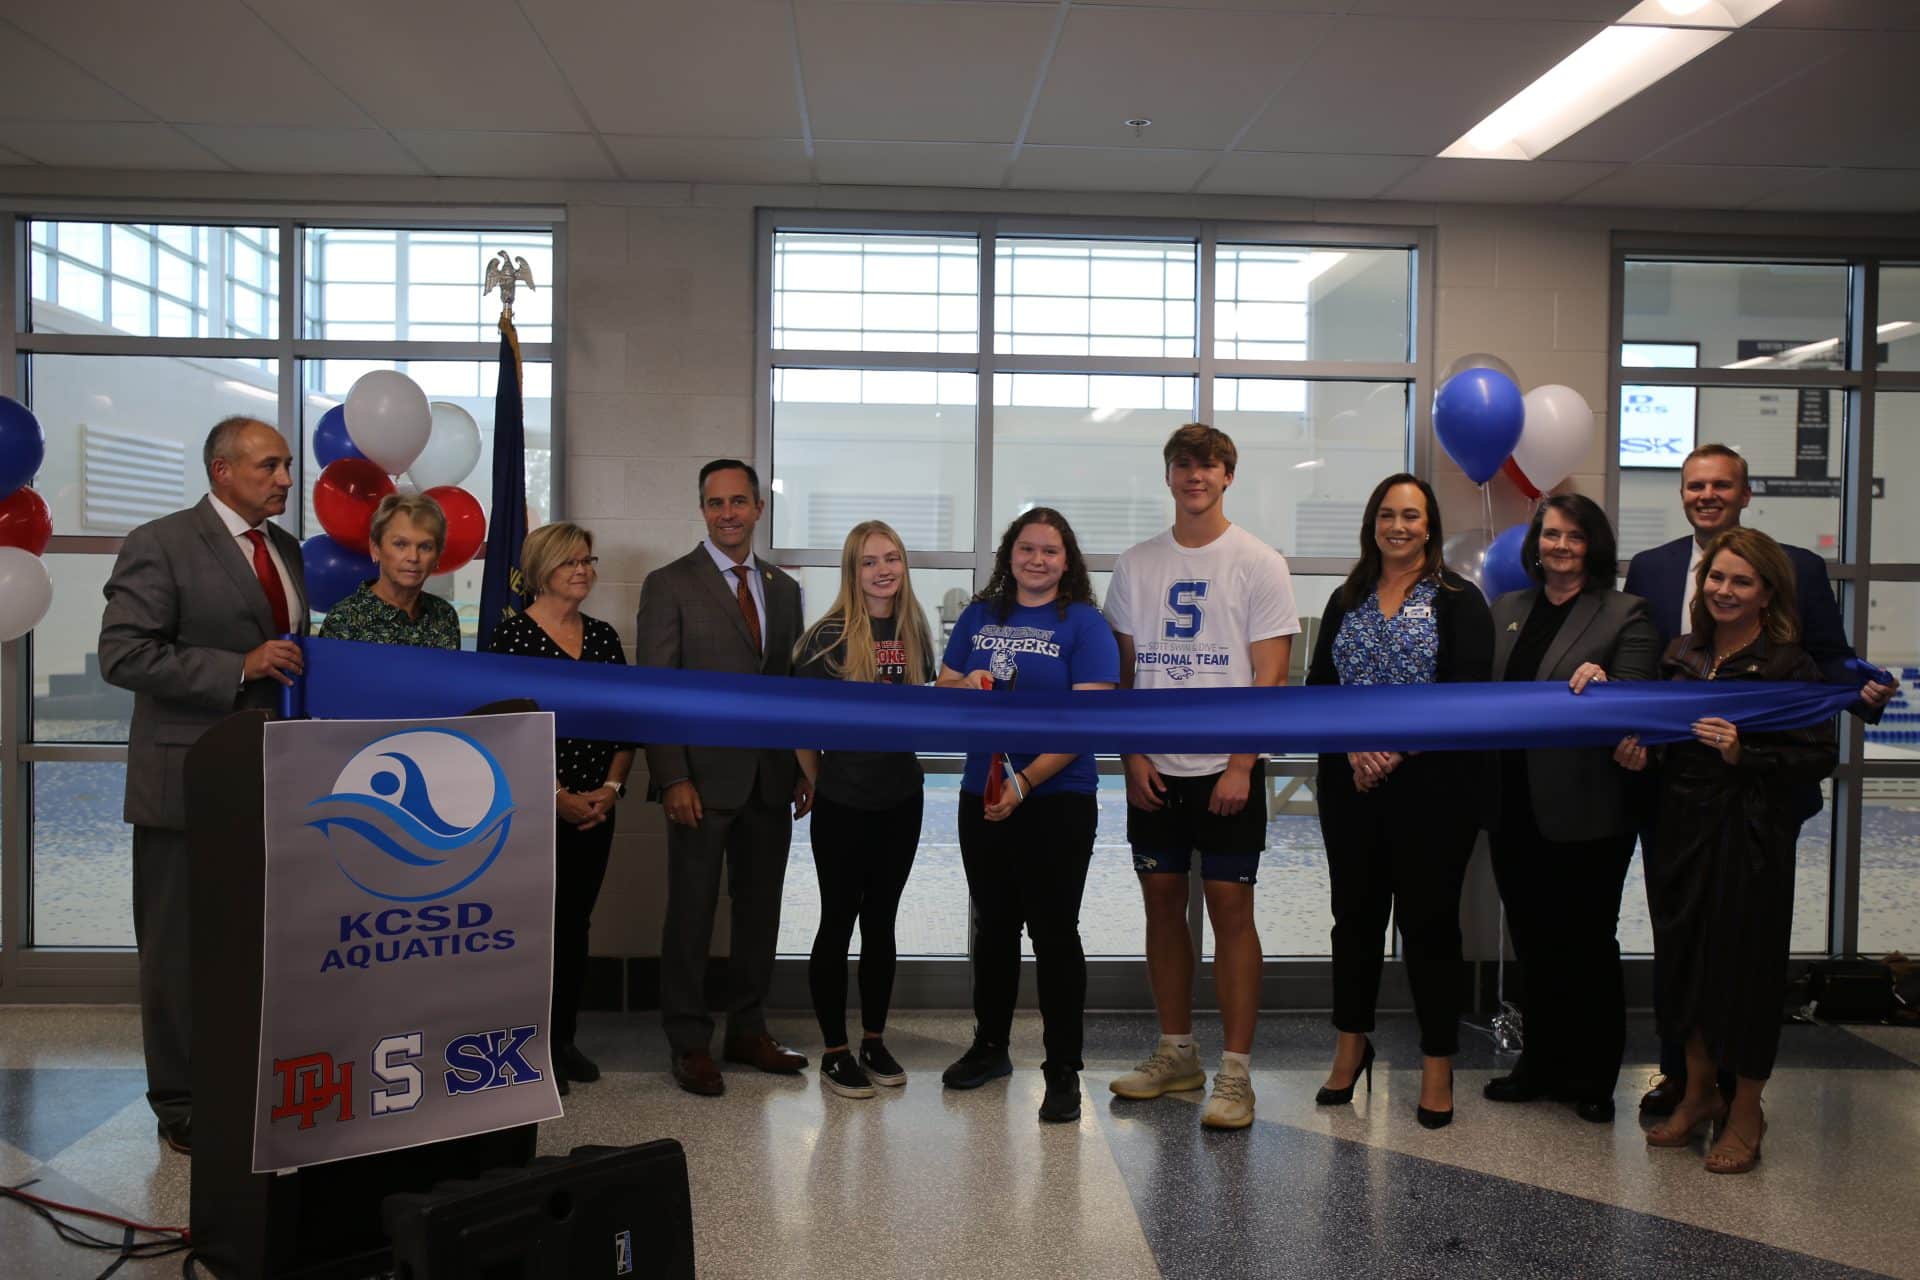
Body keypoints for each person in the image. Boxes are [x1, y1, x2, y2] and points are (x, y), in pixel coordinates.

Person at [1623, 443, 1892, 1115]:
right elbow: (1643, 675)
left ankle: (1743, 1101)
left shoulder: (1798, 571)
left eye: (1720, 485)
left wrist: (1859, 693)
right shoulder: (1652, 570)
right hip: (1676, 801)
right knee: (1679, 939)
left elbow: (1825, 663)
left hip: (1757, 808)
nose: (1706, 495)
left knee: (1745, 950)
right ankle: (1685, 1081)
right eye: (1695, 485)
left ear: (1745, 494)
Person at [98, 416, 307, 1156]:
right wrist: (237, 668)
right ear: (222, 470)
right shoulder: (161, 543)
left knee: (254, 944)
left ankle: (242, 1079)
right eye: (270, 466)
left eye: (286, 466)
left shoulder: (285, 550)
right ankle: (181, 1099)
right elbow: (122, 656)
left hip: (269, 784)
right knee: (179, 950)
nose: (286, 479)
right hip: (184, 783)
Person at [1615, 527, 1837, 1174]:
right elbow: (1657, 737)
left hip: (1752, 834)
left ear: (1768, 592)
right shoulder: (1682, 653)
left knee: (1746, 973)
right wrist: (1639, 751)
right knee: (1684, 965)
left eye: (1742, 581)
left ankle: (1747, 1110)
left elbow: (1818, 754)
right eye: (1716, 578)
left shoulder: (1789, 665)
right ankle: (1699, 1094)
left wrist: (1746, 753)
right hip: (1680, 829)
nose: (1725, 590)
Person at [1103, 423, 1298, 1132]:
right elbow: (1122, 675)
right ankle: (1177, 1051)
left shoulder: (1259, 561)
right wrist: (1131, 756)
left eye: (1209, 466)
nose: (1196, 476)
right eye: (1184, 465)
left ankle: (1237, 1072)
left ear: (1227, 477)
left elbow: (1271, 675)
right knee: (1161, 903)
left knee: (1231, 911)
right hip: (1155, 765)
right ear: (1169, 476)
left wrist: (1243, 763)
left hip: (1227, 769)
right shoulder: (1135, 564)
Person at [1305, 473, 1492, 1130]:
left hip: (1435, 790)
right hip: (1350, 784)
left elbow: (1465, 697)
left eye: (1411, 515)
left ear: (1430, 526)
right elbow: (1319, 689)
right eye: (1387, 514)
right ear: (1372, 523)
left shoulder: (1458, 600)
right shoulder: (1346, 598)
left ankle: (1438, 1063)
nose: (1398, 526)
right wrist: (1357, 747)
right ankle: (1350, 1047)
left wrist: (1394, 748)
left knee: (1429, 927)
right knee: (1353, 921)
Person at [936, 508, 1118, 1124]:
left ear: (1067, 560)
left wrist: (1027, 778)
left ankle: (1062, 1069)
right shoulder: (979, 616)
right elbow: (945, 687)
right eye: (1026, 549)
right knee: (993, 928)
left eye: (1050, 550)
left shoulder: (1085, 625)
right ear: (1009, 555)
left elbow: (1089, 719)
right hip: (981, 793)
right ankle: (991, 1048)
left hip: (1058, 798)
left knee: (1054, 933)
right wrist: (969, 685)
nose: (1037, 560)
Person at [1482, 494, 1658, 1124]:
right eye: (1550, 534)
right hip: (1513, 808)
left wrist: (1607, 690)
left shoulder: (1625, 613)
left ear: (1594, 546)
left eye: (1573, 537)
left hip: (1588, 811)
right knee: (1532, 944)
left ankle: (1594, 1075)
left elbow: (1637, 701)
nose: (1559, 546)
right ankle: (1539, 1066)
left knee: (1585, 944)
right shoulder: (1506, 609)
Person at [637, 459, 811, 1097]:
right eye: (716, 503)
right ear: (702, 509)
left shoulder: (784, 590)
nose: (728, 513)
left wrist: (801, 765)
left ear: (759, 508)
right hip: (700, 784)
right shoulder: (668, 584)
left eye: (739, 501)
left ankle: (748, 1029)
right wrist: (672, 776)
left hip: (770, 779)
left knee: (759, 912)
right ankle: (688, 1043)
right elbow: (655, 690)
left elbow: (789, 692)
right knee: (690, 913)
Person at [486, 522, 633, 1096]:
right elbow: (501, 733)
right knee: (529, 927)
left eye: (589, 560)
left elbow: (627, 721)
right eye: (571, 561)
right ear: (542, 567)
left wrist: (612, 789)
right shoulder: (512, 638)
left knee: (574, 926)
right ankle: (526, 1044)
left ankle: (562, 1039)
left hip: (597, 807)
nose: (583, 570)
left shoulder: (603, 638)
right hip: (530, 808)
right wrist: (554, 797)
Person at [792, 521, 937, 1099]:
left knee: (881, 925)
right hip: (843, 804)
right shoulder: (824, 639)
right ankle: (834, 1051)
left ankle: (873, 1039)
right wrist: (822, 781)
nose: (883, 570)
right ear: (852, 572)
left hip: (901, 800)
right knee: (837, 921)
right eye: (870, 562)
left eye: (893, 559)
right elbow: (798, 726)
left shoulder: (915, 629)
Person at [317, 493, 460, 649]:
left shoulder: (445, 616)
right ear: (376, 548)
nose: (413, 557)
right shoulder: (344, 620)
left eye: (425, 547)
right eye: (400, 544)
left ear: (437, 556)